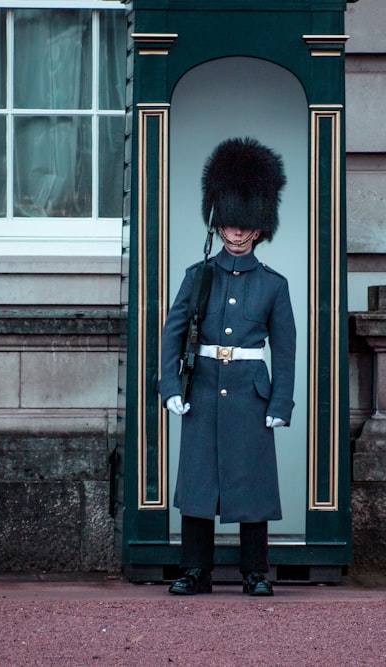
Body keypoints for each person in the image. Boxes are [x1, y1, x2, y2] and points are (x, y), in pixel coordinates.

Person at [158, 137, 296, 596]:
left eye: (245, 226)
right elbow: (173, 332)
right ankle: (195, 570)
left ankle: (254, 571)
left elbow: (286, 348)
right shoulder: (198, 277)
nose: (236, 233)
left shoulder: (274, 286)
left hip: (249, 391)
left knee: (251, 483)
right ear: (219, 224)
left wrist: (281, 400)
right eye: (230, 225)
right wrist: (170, 385)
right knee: (198, 481)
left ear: (259, 227)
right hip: (202, 386)